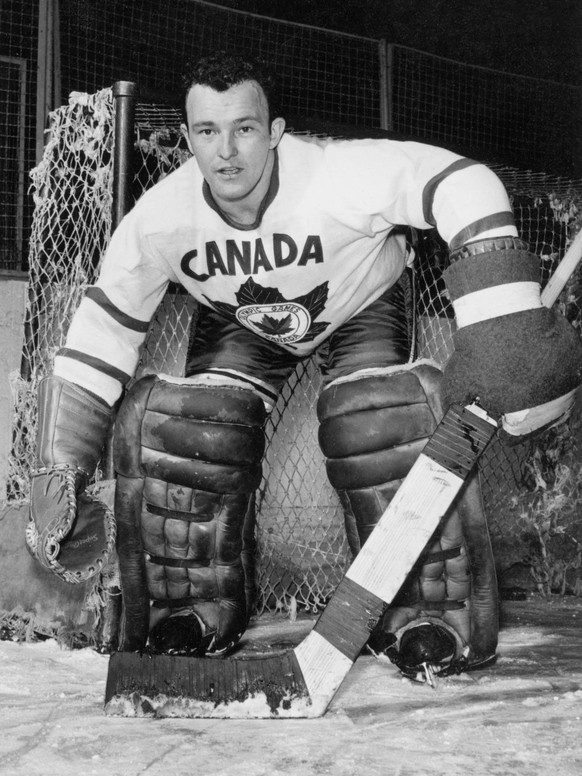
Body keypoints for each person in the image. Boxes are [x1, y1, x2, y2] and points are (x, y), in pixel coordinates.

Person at [27, 52, 582, 683]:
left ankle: (426, 617)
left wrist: (500, 312)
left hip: (360, 301)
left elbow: (462, 180)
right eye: (207, 131)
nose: (226, 151)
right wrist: (61, 463)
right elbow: (103, 328)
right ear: (186, 137)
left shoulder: (336, 174)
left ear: (275, 131)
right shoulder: (160, 219)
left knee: (378, 423)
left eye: (244, 128)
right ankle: (191, 611)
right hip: (243, 320)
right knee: (187, 430)